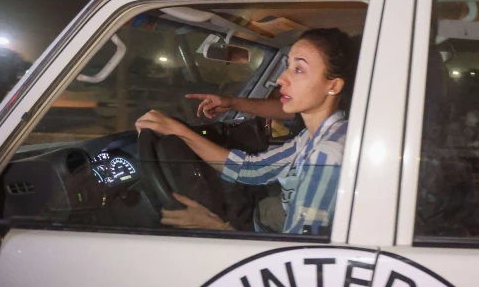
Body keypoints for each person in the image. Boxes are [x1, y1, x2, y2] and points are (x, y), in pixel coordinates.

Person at [135, 28, 357, 235]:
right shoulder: (313, 136)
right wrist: (179, 131)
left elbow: (297, 257)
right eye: (288, 65)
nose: (281, 79)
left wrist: (216, 228)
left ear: (334, 86)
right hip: (277, 212)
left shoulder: (327, 154)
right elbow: (252, 169)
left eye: (298, 69)